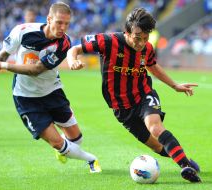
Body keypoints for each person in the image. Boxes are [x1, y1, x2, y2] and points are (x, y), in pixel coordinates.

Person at [66, 7, 201, 182]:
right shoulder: (108, 41)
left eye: (145, 38)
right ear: (127, 32)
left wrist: (174, 85)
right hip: (121, 107)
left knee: (155, 127)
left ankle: (185, 167)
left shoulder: (147, 48)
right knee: (156, 146)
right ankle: (187, 161)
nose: (141, 43)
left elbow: (152, 65)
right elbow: (74, 49)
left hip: (144, 94)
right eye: (137, 38)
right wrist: (72, 61)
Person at [0, 2, 101, 173]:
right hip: (26, 97)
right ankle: (91, 159)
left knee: (77, 138)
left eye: (67, 24)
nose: (63, 27)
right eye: (59, 22)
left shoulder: (64, 43)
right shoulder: (23, 31)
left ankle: (64, 149)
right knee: (58, 142)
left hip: (52, 91)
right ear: (49, 19)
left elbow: (36, 70)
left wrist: (3, 65)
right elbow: (4, 53)